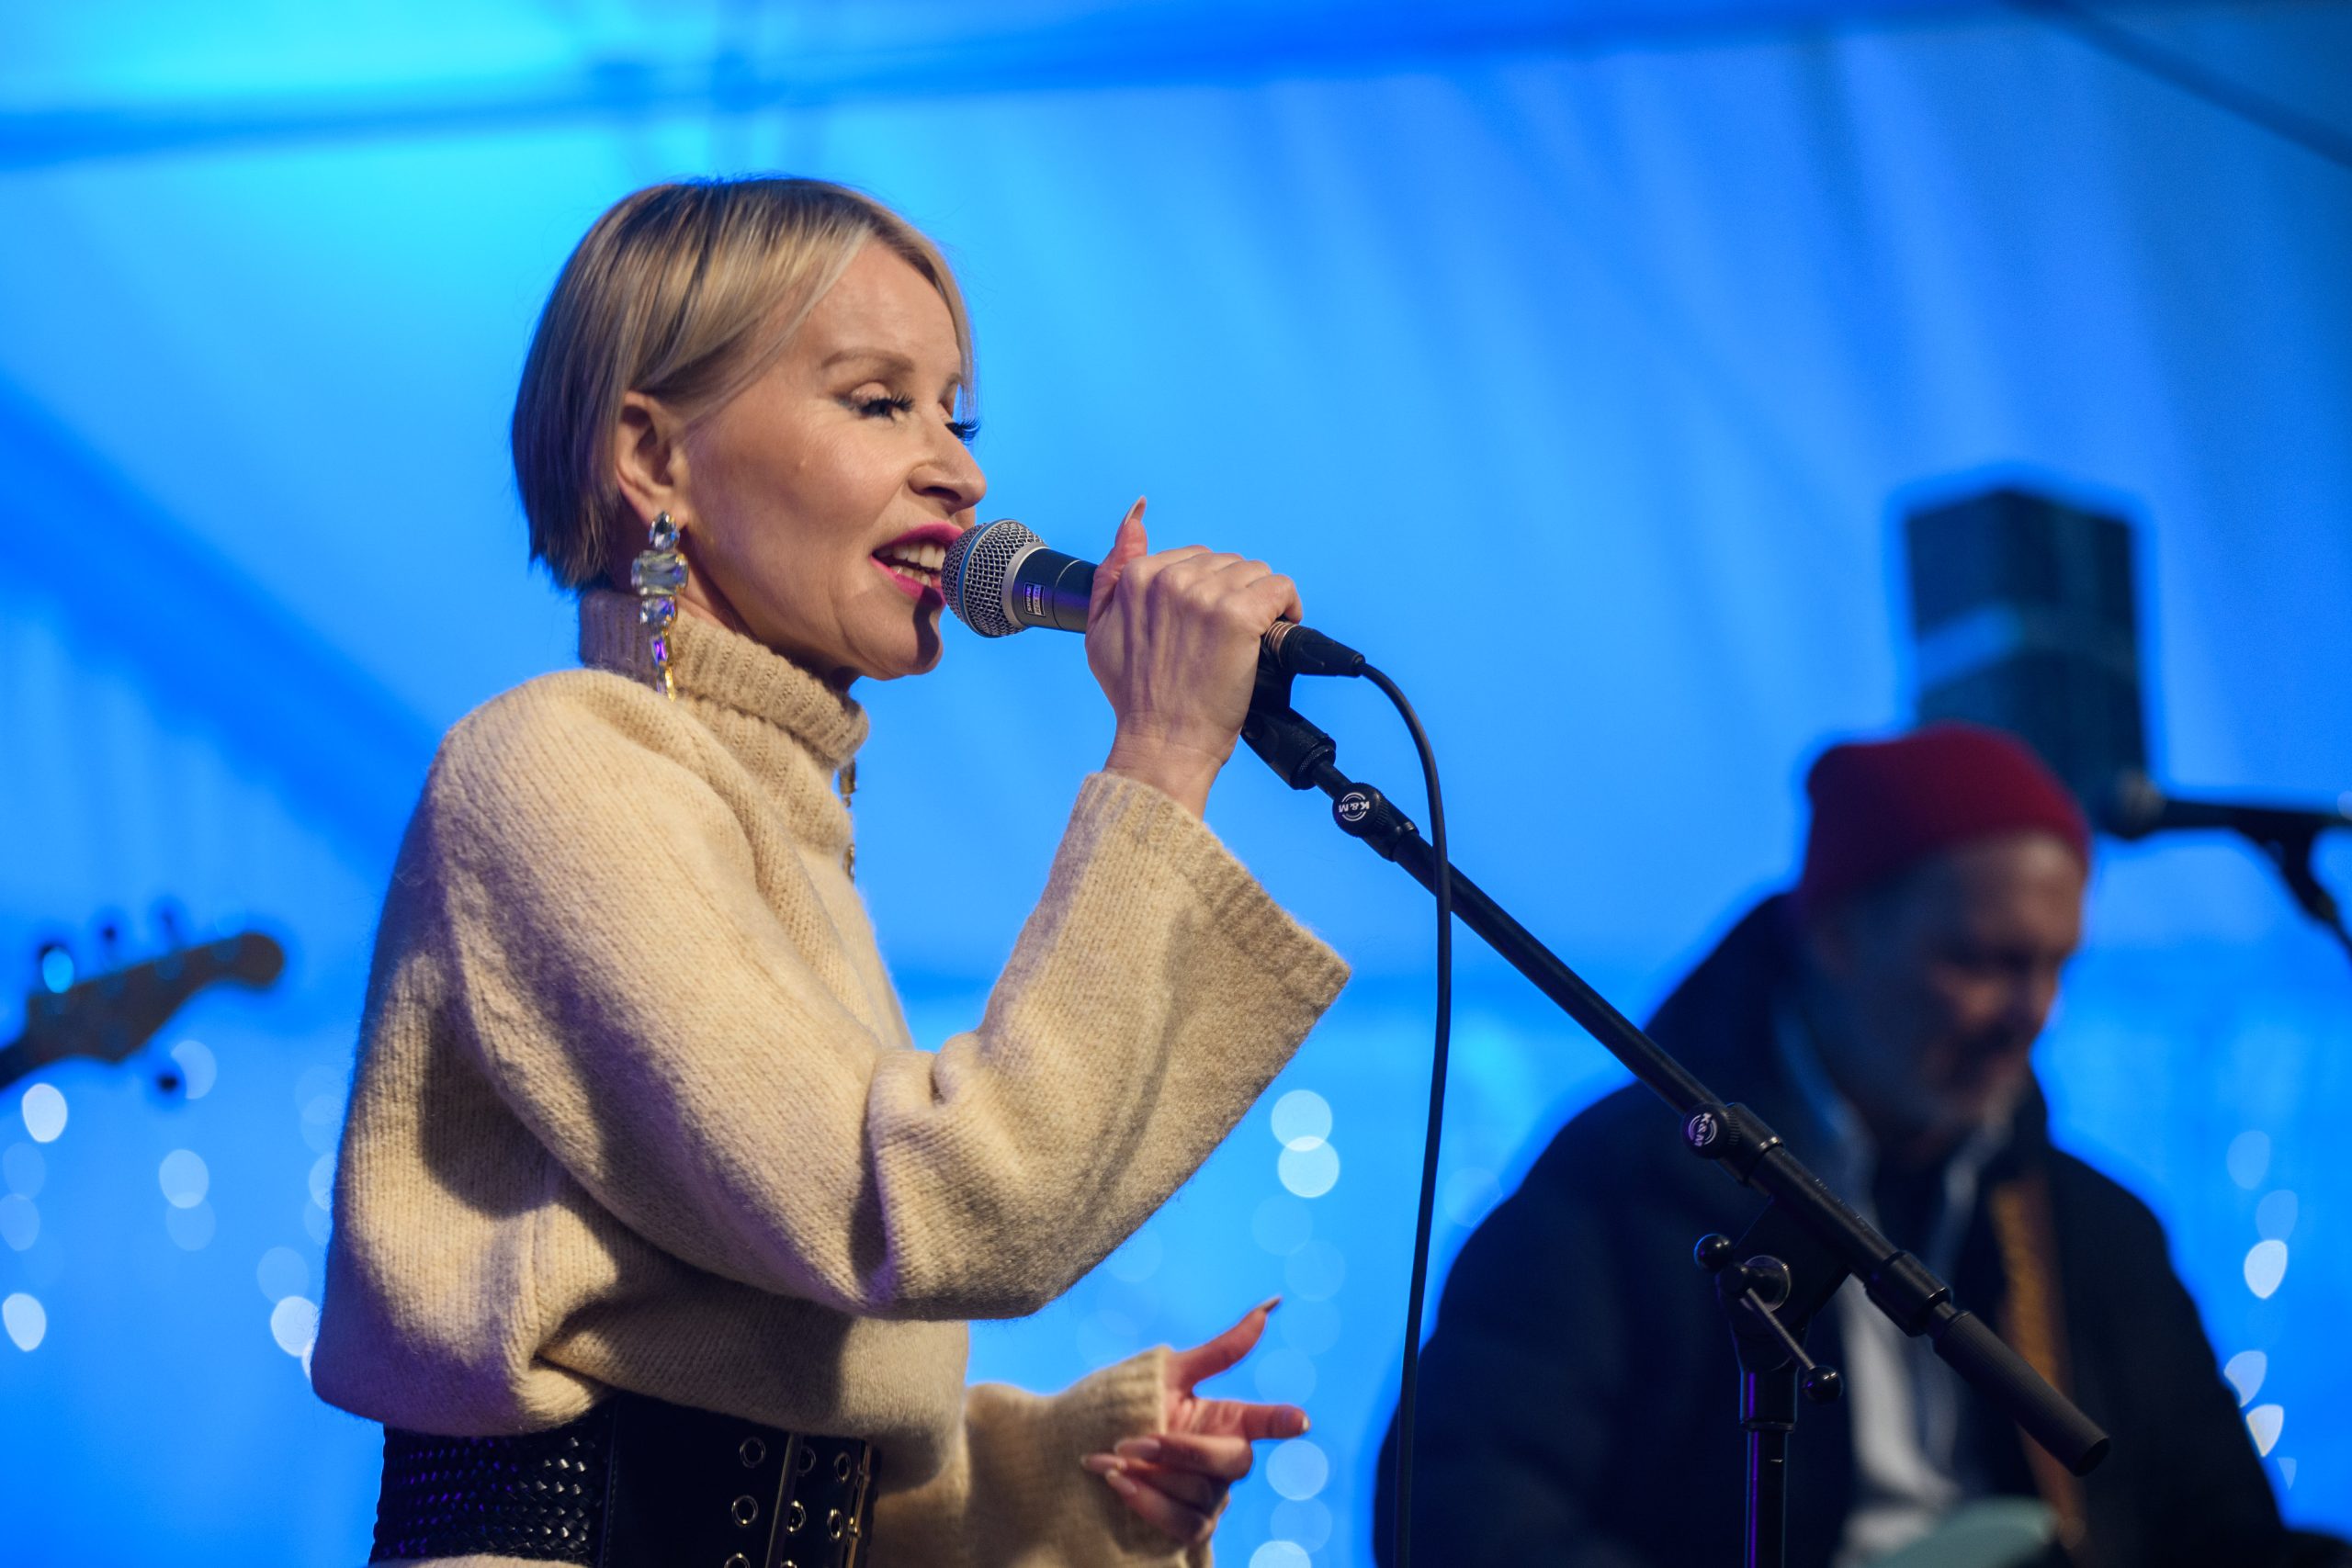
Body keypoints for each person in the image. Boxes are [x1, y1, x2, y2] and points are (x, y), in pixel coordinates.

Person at [313, 176, 1351, 1567]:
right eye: (879, 403)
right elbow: (940, 1207)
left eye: (956, 418)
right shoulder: (561, 764)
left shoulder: (780, 818)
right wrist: (1160, 756)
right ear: (652, 459)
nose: (960, 474)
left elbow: (771, 1429)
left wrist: (1060, 1477)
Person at [1375, 724, 2341, 1568]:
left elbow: (2223, 1533)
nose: (2031, 1013)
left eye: (2054, 966)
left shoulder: (2093, 1226)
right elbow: (1457, 1515)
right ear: (1835, 936)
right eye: (1982, 960)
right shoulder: (1621, 1185)